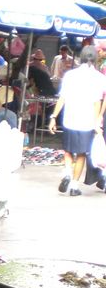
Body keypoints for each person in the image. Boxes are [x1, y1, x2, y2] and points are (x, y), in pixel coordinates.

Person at [49, 45, 106, 197]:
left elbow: (62, 98)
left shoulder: (70, 75)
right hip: (86, 122)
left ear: (80, 58)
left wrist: (53, 117)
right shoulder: (100, 78)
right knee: (81, 154)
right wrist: (97, 121)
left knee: (68, 151)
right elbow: (98, 102)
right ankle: (74, 186)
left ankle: (67, 173)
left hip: (69, 119)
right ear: (95, 59)